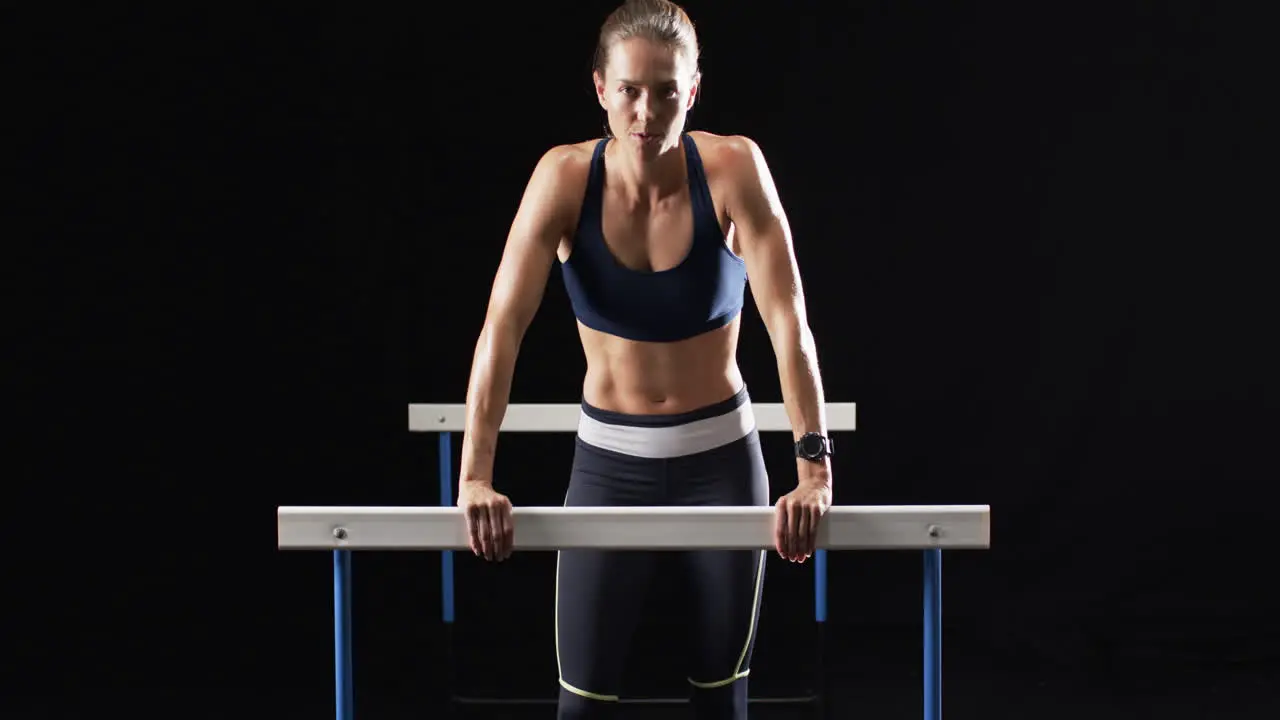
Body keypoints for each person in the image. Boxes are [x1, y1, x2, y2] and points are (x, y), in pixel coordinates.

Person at [454, 1, 835, 717]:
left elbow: (791, 326)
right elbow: (502, 329)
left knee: (722, 701)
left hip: (721, 461)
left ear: (692, 90)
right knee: (584, 704)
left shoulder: (732, 169)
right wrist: (476, 476)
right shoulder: (563, 179)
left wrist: (813, 474)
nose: (646, 111)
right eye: (629, 90)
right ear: (601, 88)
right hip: (608, 466)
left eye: (666, 91)